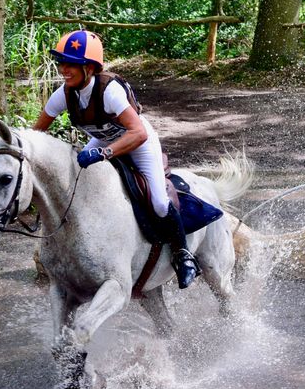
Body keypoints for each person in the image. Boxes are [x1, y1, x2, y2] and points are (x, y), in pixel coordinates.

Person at [33, 30, 199, 289]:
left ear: (89, 68)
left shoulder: (109, 91)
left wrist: (103, 153)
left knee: (158, 202)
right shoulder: (63, 95)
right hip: (103, 138)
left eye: (70, 64)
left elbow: (138, 132)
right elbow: (36, 134)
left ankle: (183, 255)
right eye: (61, 63)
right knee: (75, 180)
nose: (63, 69)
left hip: (138, 142)